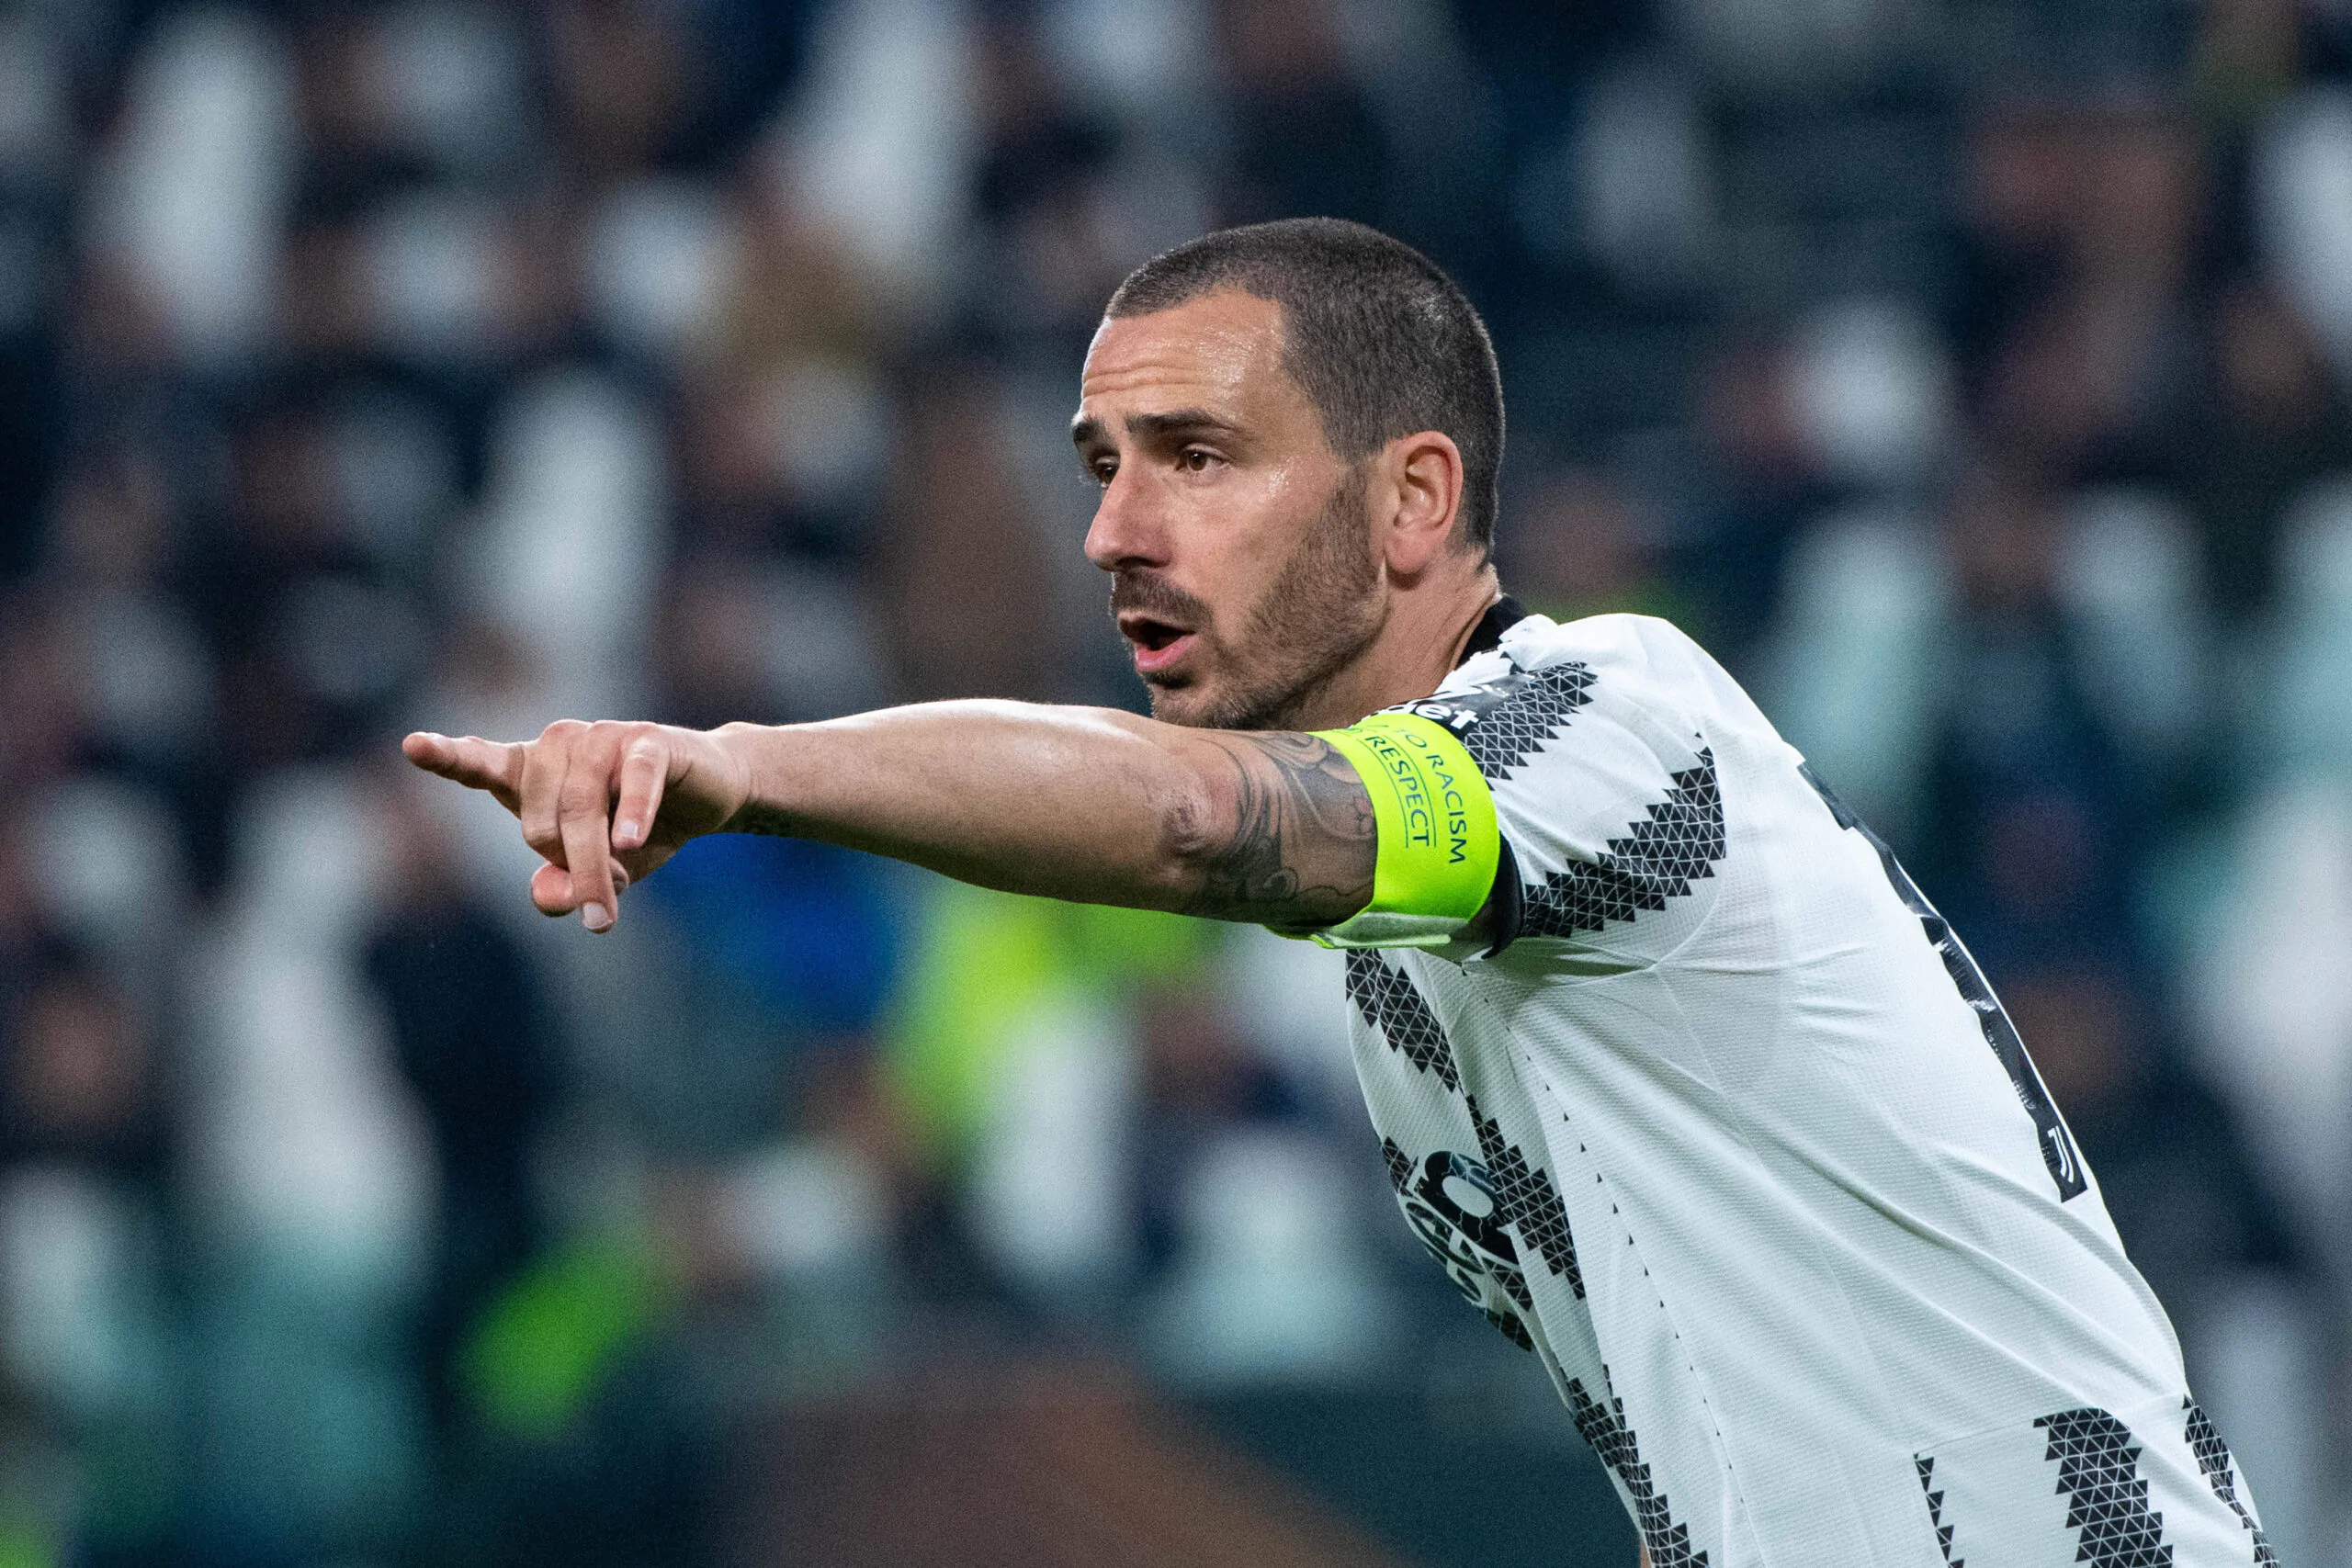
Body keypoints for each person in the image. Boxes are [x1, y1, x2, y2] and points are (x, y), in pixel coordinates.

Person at [405, 219, 2276, 1565]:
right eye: (1099, 466)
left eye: (1195, 459)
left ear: (1409, 504)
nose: (1112, 529)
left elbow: (1201, 822)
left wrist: (749, 768)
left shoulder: (1611, 719)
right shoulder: (1396, 990)